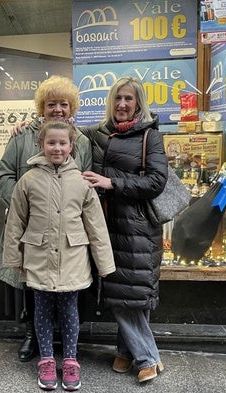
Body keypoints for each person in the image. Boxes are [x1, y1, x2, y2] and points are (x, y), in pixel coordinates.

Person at [2, 121, 115, 391]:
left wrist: (104, 263)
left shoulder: (82, 181)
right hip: (39, 257)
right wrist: (13, 259)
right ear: (41, 144)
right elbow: (16, 221)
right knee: (40, 309)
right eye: (51, 143)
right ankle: (47, 360)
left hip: (72, 258)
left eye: (62, 143)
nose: (57, 148)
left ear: (71, 146)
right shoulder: (28, 180)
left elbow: (96, 225)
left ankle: (71, 358)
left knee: (69, 310)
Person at [0, 75, 93, 363]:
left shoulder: (82, 141)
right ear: (42, 107)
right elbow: (5, 175)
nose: (58, 109)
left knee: (66, 285)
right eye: (52, 104)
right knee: (31, 282)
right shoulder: (22, 136)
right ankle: (31, 335)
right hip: (29, 226)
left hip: (66, 228)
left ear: (71, 106)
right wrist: (26, 204)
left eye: (64, 104)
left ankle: (63, 343)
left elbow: (85, 181)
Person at [80, 76, 168, 383]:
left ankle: (147, 357)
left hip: (138, 227)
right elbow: (60, 131)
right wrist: (27, 125)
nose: (122, 104)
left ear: (138, 103)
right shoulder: (97, 133)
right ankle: (125, 350)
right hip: (105, 224)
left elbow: (157, 182)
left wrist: (112, 183)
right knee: (126, 292)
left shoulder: (149, 135)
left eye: (129, 99)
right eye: (118, 98)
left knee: (129, 291)